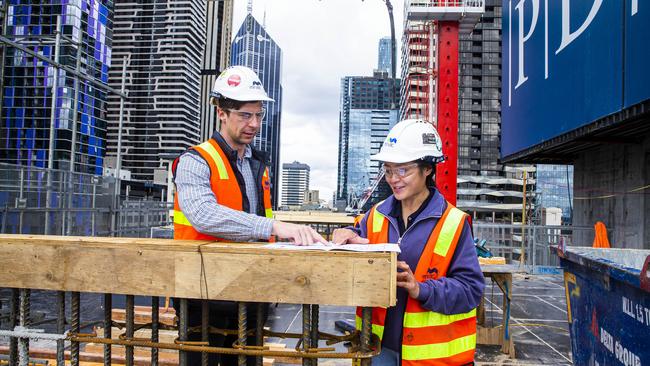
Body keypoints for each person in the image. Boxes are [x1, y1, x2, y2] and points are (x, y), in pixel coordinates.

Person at [172, 65, 327, 365]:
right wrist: (276, 227)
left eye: (258, 115)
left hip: (251, 290)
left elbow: (256, 224)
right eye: (245, 115)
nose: (254, 123)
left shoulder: (257, 164)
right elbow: (204, 215)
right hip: (203, 295)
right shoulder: (195, 161)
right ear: (222, 112)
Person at [332, 119, 485, 366]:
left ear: (427, 169)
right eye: (389, 170)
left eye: (403, 170)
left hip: (431, 358)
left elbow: (471, 291)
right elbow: (357, 231)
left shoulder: (454, 223)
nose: (394, 179)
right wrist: (347, 233)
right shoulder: (377, 214)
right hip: (377, 349)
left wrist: (420, 289)